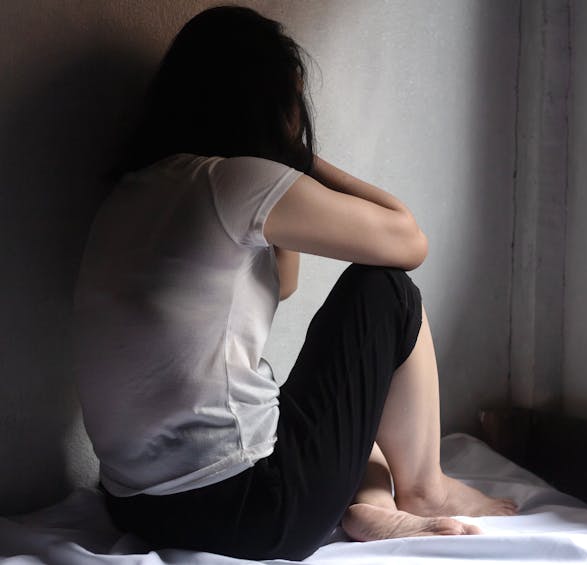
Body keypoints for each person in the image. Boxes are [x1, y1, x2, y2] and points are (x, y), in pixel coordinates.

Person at [74, 5, 516, 561]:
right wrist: (295, 157)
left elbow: (280, 281)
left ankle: (370, 507)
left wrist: (275, 170)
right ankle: (429, 487)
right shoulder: (232, 180)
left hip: (137, 504)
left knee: (348, 418)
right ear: (269, 106)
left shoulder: (132, 192)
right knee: (386, 289)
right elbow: (408, 242)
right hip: (254, 509)